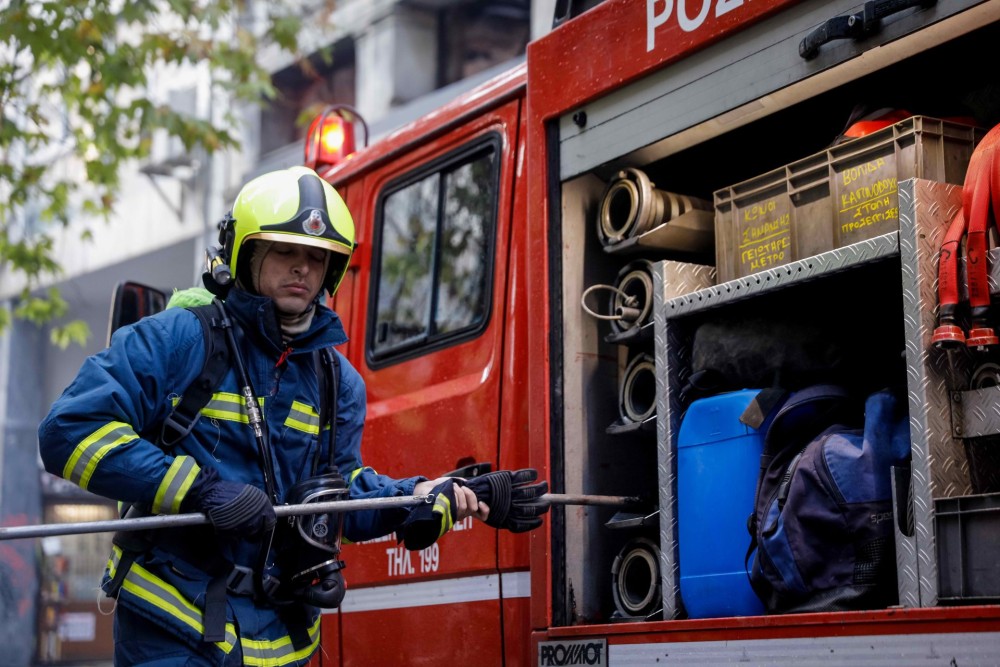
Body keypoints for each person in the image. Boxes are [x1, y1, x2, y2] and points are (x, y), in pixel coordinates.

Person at [37, 166, 527, 666]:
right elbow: (68, 430)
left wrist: (429, 496)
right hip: (173, 629)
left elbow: (338, 494)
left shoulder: (338, 381)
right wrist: (197, 488)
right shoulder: (179, 338)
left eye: (317, 257)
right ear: (246, 256)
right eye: (285, 251)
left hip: (284, 640)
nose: (302, 269)